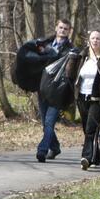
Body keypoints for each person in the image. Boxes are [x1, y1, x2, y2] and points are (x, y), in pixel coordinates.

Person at [35, 19, 74, 162]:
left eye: (66, 28)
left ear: (69, 31)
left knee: (49, 123)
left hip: (58, 92)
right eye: (61, 27)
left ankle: (42, 150)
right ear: (56, 28)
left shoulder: (71, 50)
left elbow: (71, 73)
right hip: (43, 89)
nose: (62, 30)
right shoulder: (45, 45)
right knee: (45, 124)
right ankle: (55, 147)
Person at [72, 30, 100, 170]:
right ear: (89, 41)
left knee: (90, 129)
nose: (95, 41)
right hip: (82, 97)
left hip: (98, 99)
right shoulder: (83, 57)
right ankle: (96, 157)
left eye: (98, 38)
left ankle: (86, 157)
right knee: (87, 129)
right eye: (92, 38)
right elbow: (74, 75)